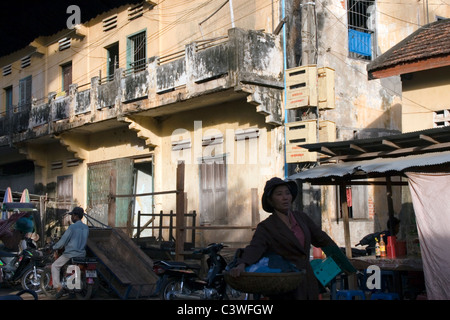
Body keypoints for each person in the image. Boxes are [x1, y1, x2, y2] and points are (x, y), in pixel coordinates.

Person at [229, 177, 341, 300]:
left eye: (287, 193)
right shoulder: (267, 227)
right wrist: (242, 264)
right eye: (279, 194)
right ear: (270, 201)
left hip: (307, 280)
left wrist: (341, 258)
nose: (285, 197)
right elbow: (255, 248)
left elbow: (322, 239)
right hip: (284, 282)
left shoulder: (302, 218)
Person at [51, 207, 89, 296]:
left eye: (72, 215)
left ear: (75, 216)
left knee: (55, 266)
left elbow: (63, 240)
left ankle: (58, 287)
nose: (71, 217)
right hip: (82, 254)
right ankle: (71, 283)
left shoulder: (72, 227)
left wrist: (55, 247)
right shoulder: (86, 228)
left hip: (70, 254)